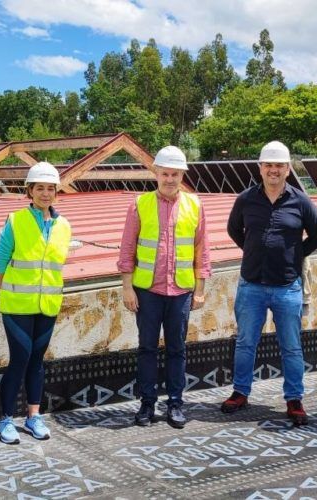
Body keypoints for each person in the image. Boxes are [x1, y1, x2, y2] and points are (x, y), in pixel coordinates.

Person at [221, 141, 317, 425]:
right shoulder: (245, 199)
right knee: (245, 343)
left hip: (287, 287)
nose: (273, 170)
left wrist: (293, 255)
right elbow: (233, 230)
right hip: (251, 285)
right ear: (260, 168)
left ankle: (294, 399)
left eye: (279, 165)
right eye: (268, 165)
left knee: (291, 346)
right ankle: (240, 392)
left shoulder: (301, 201)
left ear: (288, 169)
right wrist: (254, 251)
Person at [118, 145, 211, 429]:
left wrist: (200, 288)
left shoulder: (195, 205)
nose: (170, 179)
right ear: (156, 173)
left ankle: (175, 404)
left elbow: (201, 250)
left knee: (176, 349)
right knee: (147, 348)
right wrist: (127, 288)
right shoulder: (139, 204)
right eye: (165, 173)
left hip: (181, 292)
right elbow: (127, 249)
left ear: (182, 174)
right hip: (147, 291)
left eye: (175, 174)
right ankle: (147, 404)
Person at [0, 162, 71, 444]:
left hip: (47, 305)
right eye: (40, 188)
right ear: (30, 190)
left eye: (51, 188)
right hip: (17, 305)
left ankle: (33, 416)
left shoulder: (63, 225)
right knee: (21, 358)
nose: (46, 193)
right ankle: (5, 421)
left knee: (37, 361)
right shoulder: (16, 220)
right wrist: (9, 290)